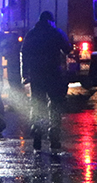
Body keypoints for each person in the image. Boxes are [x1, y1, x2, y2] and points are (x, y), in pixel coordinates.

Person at [21, 10, 72, 152]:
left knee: (38, 103)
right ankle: (54, 136)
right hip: (54, 73)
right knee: (55, 104)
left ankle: (37, 134)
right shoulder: (56, 32)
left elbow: (24, 54)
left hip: (36, 74)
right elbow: (67, 49)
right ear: (51, 20)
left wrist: (25, 74)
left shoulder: (31, 34)